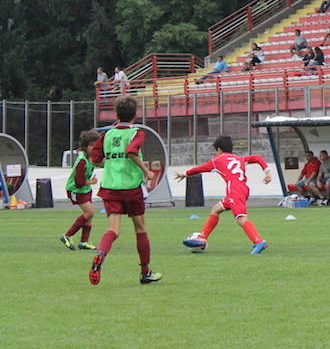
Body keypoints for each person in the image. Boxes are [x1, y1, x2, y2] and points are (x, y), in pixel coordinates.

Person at [87, 96, 160, 285]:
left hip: (110, 187)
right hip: (131, 188)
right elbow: (131, 151)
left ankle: (100, 256)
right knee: (140, 228)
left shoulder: (107, 135)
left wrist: (112, 164)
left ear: (117, 114)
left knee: (113, 229)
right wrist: (146, 171)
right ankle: (145, 272)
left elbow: (94, 158)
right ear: (135, 115)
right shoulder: (136, 133)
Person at [174, 136, 271, 254]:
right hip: (243, 189)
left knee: (241, 218)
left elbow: (200, 168)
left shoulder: (218, 160)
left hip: (234, 191)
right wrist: (267, 172)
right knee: (216, 209)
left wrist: (185, 174)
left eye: (215, 151)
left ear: (219, 150)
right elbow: (257, 158)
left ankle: (258, 241)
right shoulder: (239, 159)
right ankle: (203, 237)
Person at [60, 130, 101, 251]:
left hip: (85, 190)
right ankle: (67, 235)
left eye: (96, 145)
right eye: (91, 145)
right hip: (76, 190)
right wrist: (92, 182)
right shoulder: (82, 161)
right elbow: (79, 182)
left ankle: (84, 241)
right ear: (85, 146)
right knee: (90, 213)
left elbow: (99, 163)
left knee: (90, 215)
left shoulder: (91, 158)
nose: (94, 148)